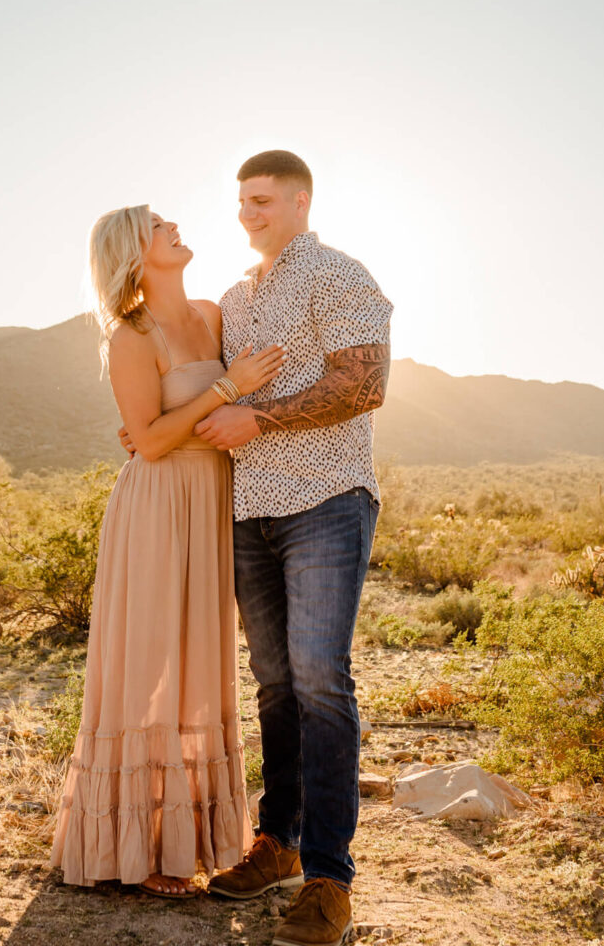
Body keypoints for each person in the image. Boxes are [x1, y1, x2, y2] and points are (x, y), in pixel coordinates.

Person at [50, 205, 286, 897]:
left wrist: (219, 403)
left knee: (200, 664)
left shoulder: (214, 315)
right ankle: (141, 847)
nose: (174, 225)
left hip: (214, 505)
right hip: (156, 508)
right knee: (151, 661)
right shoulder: (132, 334)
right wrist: (223, 389)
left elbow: (214, 412)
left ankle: (195, 835)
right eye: (157, 225)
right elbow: (148, 441)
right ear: (133, 252)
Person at [196, 150, 393, 946]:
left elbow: (365, 383)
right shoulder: (234, 297)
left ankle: (327, 880)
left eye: (263, 199)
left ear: (301, 201)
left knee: (318, 677)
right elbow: (209, 390)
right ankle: (275, 843)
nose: (248, 212)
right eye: (240, 200)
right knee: (273, 682)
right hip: (248, 509)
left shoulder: (339, 273)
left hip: (326, 500)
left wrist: (261, 418)